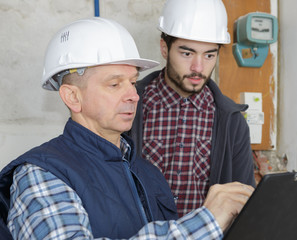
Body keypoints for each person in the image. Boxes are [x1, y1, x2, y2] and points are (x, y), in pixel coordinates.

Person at [0, 17, 254, 239]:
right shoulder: (41, 174)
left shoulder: (147, 174)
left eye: (132, 82)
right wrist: (205, 222)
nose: (133, 95)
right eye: (115, 84)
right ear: (72, 97)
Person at [127, 0, 256, 217]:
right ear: (164, 48)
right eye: (187, 53)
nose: (198, 67)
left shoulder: (232, 122)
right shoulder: (129, 106)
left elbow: (243, 203)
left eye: (209, 55)